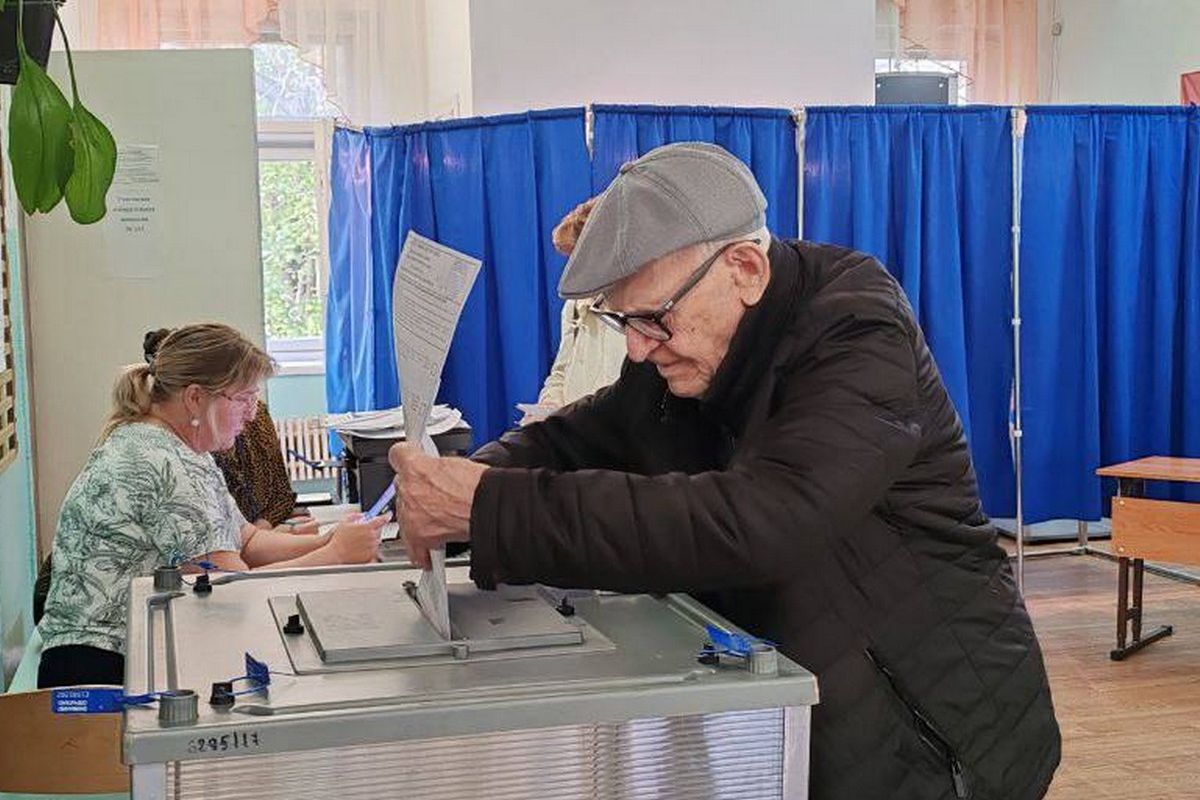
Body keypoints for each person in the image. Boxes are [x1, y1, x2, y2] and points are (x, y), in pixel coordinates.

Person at [388, 142, 1061, 799]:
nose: (637, 348)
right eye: (623, 321)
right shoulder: (685, 350)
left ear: (744, 268)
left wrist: (487, 507)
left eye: (653, 319)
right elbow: (579, 437)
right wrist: (458, 484)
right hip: (801, 720)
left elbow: (762, 521)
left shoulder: (858, 330)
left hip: (934, 735)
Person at [37, 323, 387, 688]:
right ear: (195, 398)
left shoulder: (181, 447)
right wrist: (335, 555)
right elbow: (229, 586)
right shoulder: (162, 462)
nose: (251, 415)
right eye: (244, 399)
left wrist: (328, 540)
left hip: (123, 654)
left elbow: (245, 540)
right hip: (100, 669)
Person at [533, 197, 626, 411]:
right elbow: (560, 373)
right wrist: (548, 405)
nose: (575, 269)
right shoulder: (574, 305)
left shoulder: (638, 311)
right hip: (574, 425)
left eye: (580, 257)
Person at [213, 398, 317, 533]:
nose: (250, 414)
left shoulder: (257, 413)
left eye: (252, 394)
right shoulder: (195, 456)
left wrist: (263, 527)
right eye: (240, 396)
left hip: (258, 532)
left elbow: (282, 495)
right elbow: (214, 536)